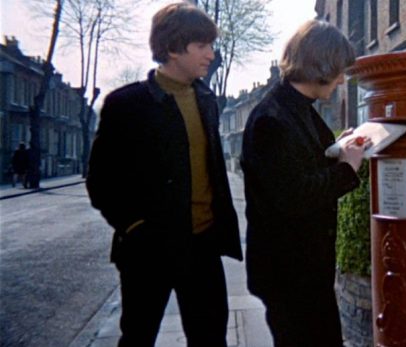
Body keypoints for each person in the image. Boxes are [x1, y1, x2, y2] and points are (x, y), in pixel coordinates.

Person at [85, 3, 242, 347]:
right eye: (202, 46)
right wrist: (135, 228)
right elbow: (101, 180)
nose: (211, 55)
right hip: (148, 252)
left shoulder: (207, 101)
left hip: (202, 247)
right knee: (138, 337)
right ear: (173, 48)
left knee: (211, 338)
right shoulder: (126, 104)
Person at [241, 20, 368, 347]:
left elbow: (303, 162)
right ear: (319, 65)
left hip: (304, 270)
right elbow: (292, 196)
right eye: (339, 70)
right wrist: (347, 170)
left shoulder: (296, 110)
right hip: (289, 274)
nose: (342, 79)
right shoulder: (271, 119)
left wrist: (340, 147)